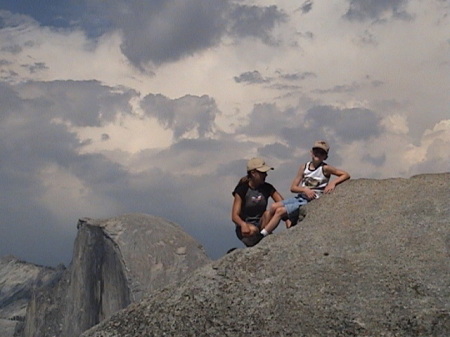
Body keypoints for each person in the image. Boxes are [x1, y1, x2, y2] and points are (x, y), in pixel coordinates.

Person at [261, 140, 350, 236]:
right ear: (311, 152)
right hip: (300, 197)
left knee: (279, 211)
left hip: (311, 200)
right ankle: (266, 231)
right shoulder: (304, 167)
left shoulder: (325, 168)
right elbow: (293, 188)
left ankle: (263, 234)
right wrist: (305, 190)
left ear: (325, 157)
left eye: (322, 153)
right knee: (273, 207)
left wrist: (333, 183)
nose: (318, 154)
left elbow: (345, 174)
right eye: (316, 151)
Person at [231, 157, 291, 247]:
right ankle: (259, 238)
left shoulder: (267, 187)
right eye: (262, 173)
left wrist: (287, 219)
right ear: (253, 173)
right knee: (253, 230)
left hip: (262, 224)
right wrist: (243, 225)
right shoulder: (242, 190)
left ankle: (264, 234)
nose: (266, 175)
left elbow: (282, 202)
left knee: (271, 210)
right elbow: (234, 216)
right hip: (246, 229)